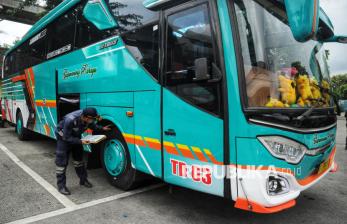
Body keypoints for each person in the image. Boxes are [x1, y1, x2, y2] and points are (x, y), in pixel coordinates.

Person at [55, 108, 111, 195]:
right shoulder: (70, 120)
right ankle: (61, 186)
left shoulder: (87, 118)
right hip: (63, 137)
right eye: (91, 119)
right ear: (84, 117)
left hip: (75, 137)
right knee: (61, 162)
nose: (92, 121)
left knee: (79, 160)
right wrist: (81, 141)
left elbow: (92, 125)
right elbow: (66, 137)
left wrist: (102, 128)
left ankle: (83, 180)